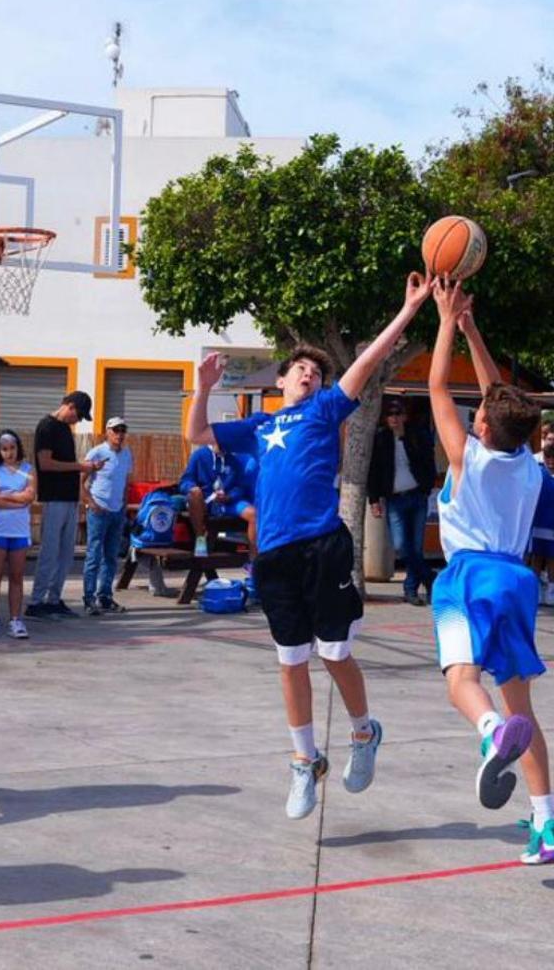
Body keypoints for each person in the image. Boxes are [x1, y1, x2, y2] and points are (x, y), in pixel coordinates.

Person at [188, 271, 434, 821]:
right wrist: (203, 386)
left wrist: (410, 308)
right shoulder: (257, 426)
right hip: (274, 555)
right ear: (282, 379)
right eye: (300, 367)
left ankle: (364, 732)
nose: (309, 372)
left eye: (316, 371)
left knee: (335, 652)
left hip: (322, 545)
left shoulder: (324, 411)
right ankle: (305, 760)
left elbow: (367, 363)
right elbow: (198, 435)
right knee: (290, 659)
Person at [428, 277, 554, 864]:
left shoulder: (466, 456)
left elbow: (435, 384)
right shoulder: (527, 464)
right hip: (518, 579)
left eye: (477, 413)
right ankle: (547, 823)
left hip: (469, 576)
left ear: (479, 428)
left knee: (461, 680)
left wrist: (445, 321)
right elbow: (497, 396)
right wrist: (473, 327)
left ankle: (487, 732)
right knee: (522, 707)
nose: (477, 412)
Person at [26, 391, 103, 620]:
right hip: (54, 496)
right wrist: (81, 467)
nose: (77, 420)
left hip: (69, 497)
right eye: (78, 415)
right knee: (50, 551)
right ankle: (37, 601)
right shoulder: (47, 427)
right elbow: (45, 463)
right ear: (69, 406)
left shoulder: (64, 430)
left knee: (66, 553)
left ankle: (53, 598)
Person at [367, 397, 437, 605]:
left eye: (398, 414)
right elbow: (375, 471)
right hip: (395, 499)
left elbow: (427, 461)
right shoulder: (380, 440)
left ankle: (410, 589)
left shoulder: (417, 436)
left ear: (405, 417)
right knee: (400, 546)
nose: (394, 419)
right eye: (390, 415)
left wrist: (426, 487)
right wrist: (374, 499)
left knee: (415, 546)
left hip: (416, 496)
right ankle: (429, 576)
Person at [0, 430, 36, 639]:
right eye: (4, 449)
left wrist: (6, 495)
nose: (9, 453)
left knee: (16, 576)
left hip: (20, 530)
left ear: (18, 448)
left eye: (12, 448)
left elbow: (30, 496)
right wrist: (17, 498)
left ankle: (16, 620)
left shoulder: (28, 470)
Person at [82, 417, 134, 615]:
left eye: (122, 430)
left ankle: (105, 596)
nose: (119, 434)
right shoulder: (97, 452)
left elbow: (126, 481)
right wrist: (90, 503)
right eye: (115, 430)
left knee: (111, 556)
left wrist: (124, 504)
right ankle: (89, 598)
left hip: (117, 510)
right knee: (93, 555)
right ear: (107, 432)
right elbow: (81, 480)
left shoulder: (127, 454)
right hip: (99, 510)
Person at [178, 444, 257, 560]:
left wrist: (229, 496)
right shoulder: (199, 455)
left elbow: (240, 487)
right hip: (205, 501)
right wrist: (194, 489)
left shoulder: (233, 460)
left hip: (228, 502)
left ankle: (254, 561)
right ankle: (200, 539)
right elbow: (185, 481)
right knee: (194, 494)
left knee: (254, 514)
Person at [529, 443, 554, 606]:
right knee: (536, 557)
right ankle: (535, 590)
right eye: (548, 458)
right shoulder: (537, 472)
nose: (550, 462)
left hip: (553, 525)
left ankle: (551, 591)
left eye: (553, 459)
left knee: (552, 558)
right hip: (537, 523)